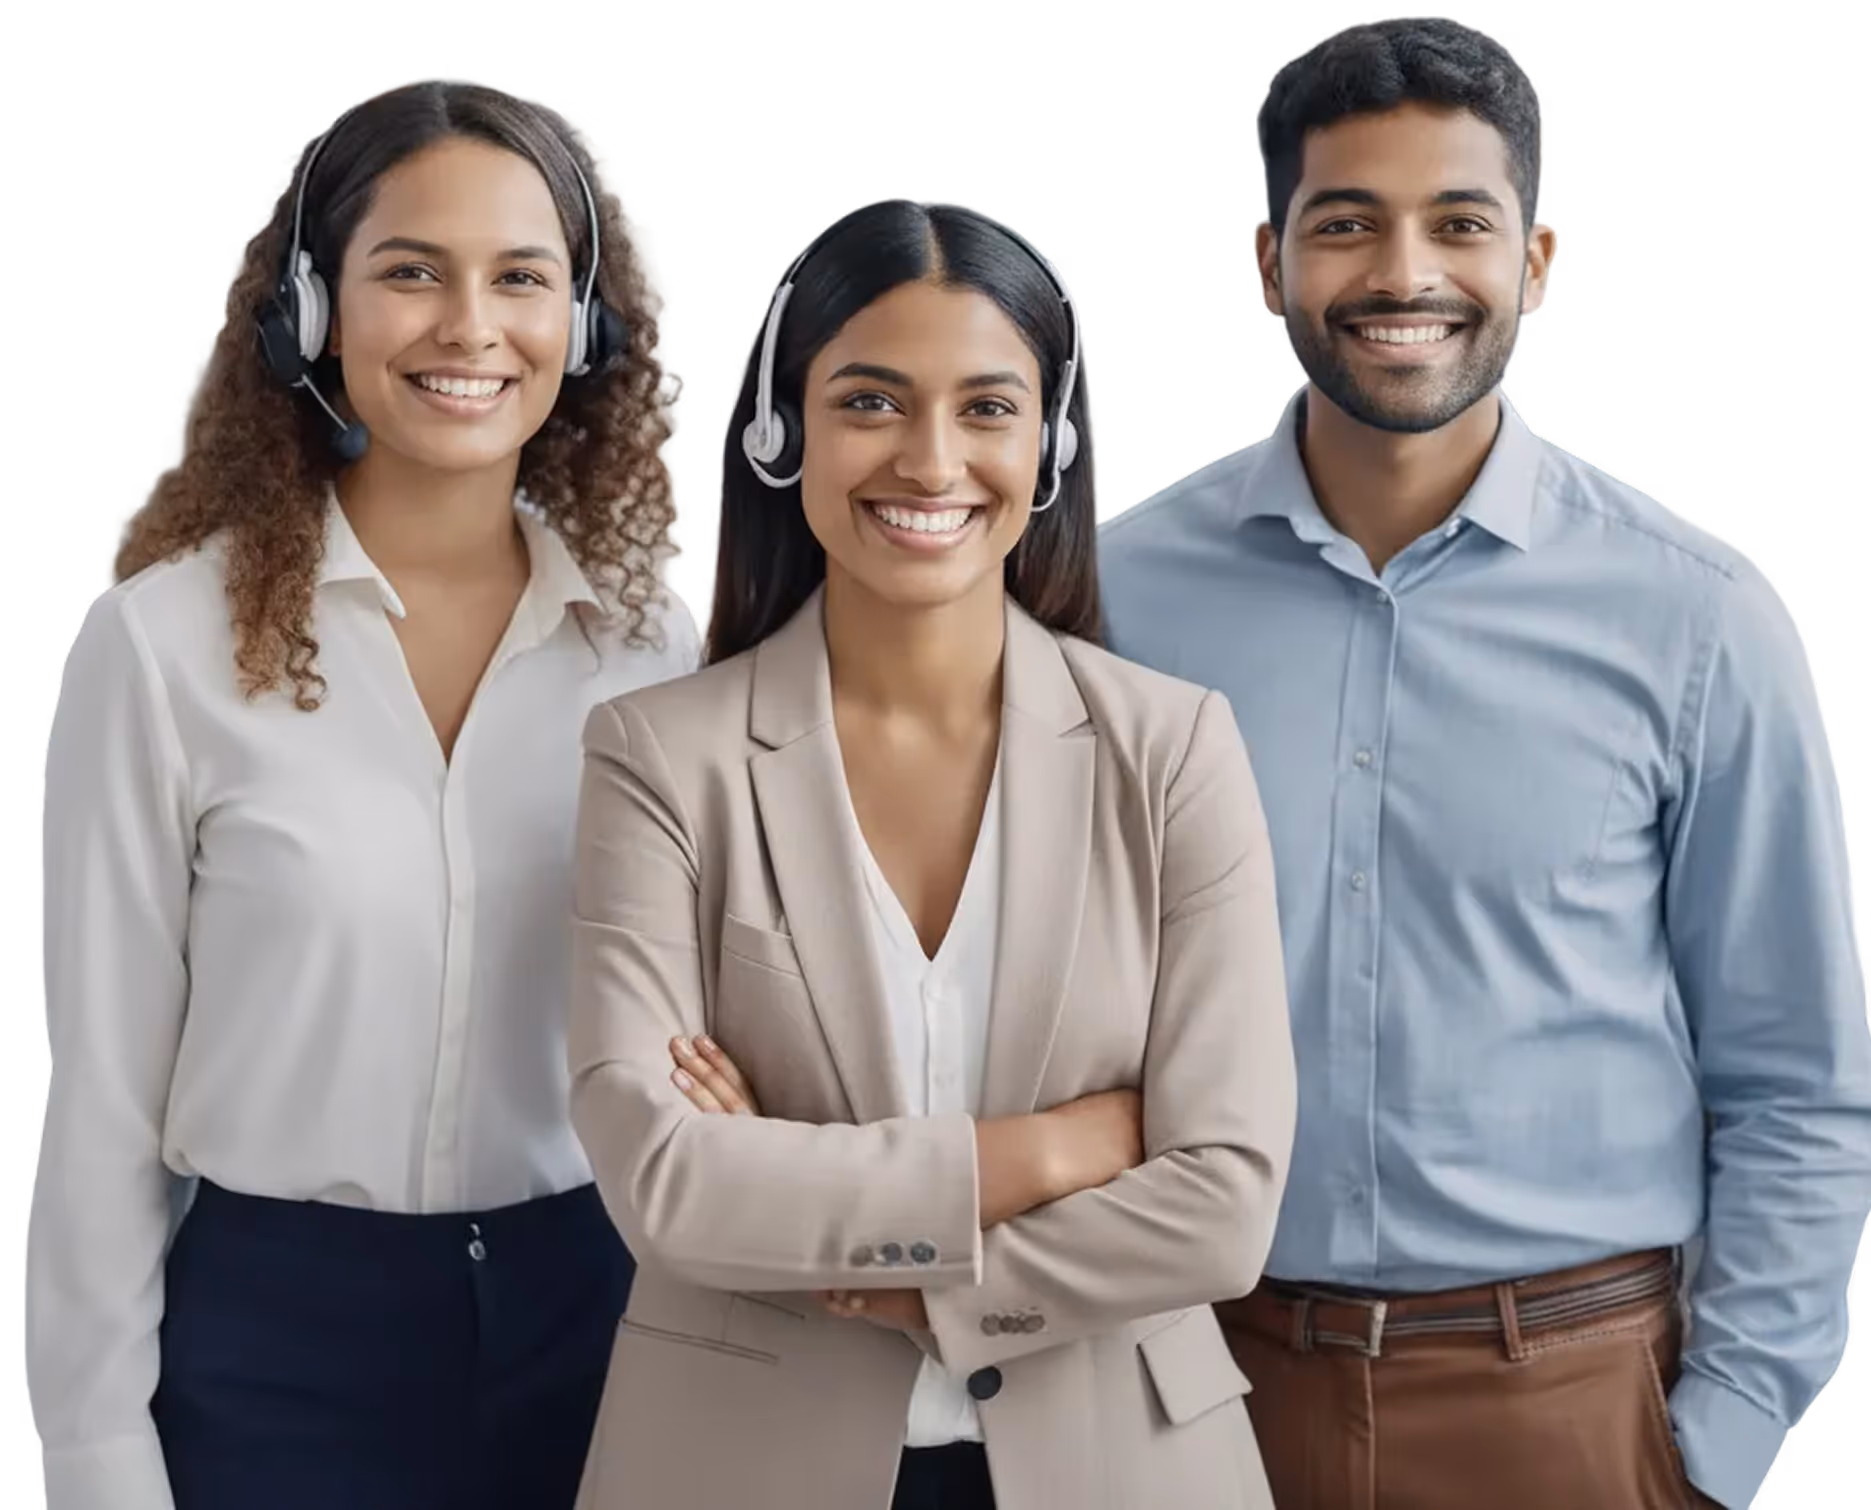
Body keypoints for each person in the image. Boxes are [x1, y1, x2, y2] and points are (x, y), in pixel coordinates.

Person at [1097, 16, 1870, 1510]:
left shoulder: (1699, 616)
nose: (1404, 275)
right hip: (1190, 1387)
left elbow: (1793, 1074)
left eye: (1459, 223)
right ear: (1267, 266)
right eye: (1346, 225)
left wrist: (1710, 1441)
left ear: (1533, 262)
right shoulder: (1112, 597)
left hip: (1572, 1401)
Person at [562, 198, 1297, 1510]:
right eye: (870, 402)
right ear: (784, 431)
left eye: (986, 408)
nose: (929, 457)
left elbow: (1225, 1201)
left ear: (1051, 441)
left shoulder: (1172, 749)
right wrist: (1058, 1149)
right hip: (736, 1459)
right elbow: (665, 1179)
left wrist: (903, 1276)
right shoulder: (658, 755)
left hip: (1119, 1461)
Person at [30, 76, 697, 1510]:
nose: (470, 327)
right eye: (412, 272)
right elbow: (98, 1102)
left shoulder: (654, 649)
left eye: (521, 278)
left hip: (598, 1324)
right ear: (310, 311)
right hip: (273, 1343)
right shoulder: (160, 650)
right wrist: (94, 1461)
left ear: (581, 325)